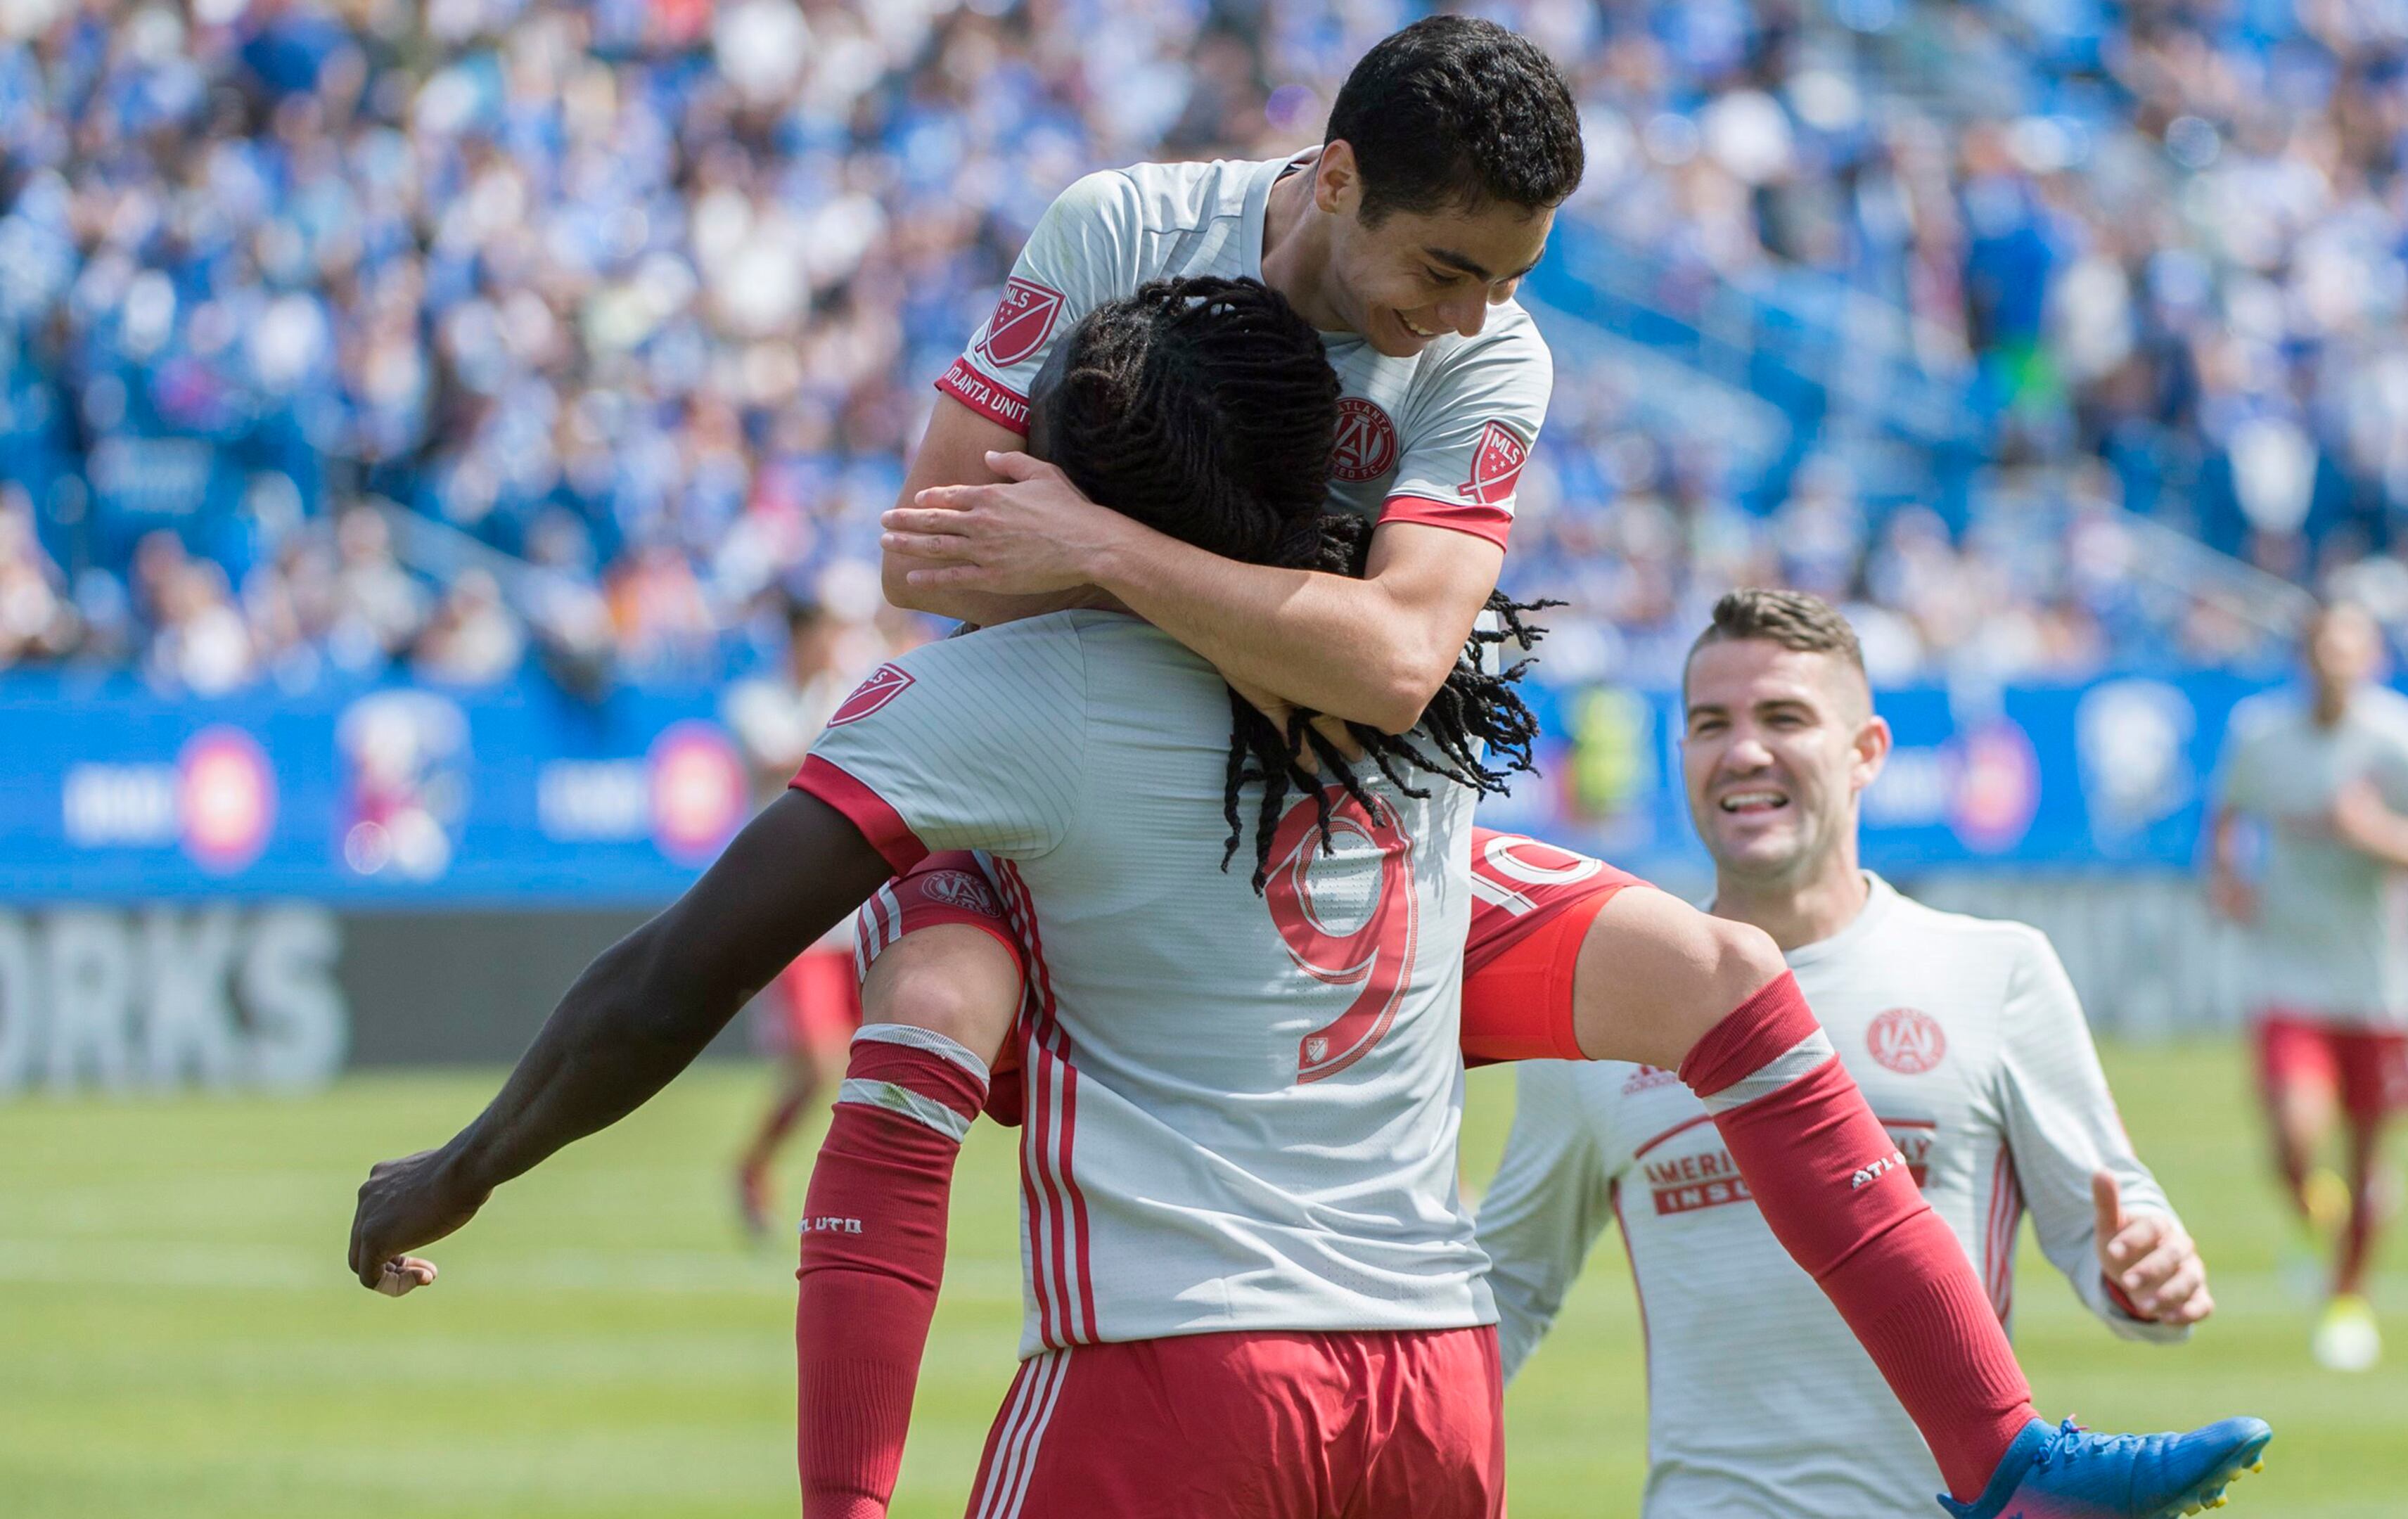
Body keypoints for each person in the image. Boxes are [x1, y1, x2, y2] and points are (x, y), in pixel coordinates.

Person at [849, 18, 2265, 1518]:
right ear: (1335, 182)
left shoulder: (1497, 351)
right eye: (1449, 272)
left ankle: (2008, 1460)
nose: (1474, 323)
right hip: (1105, 788)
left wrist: (1099, 544)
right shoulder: (1120, 226)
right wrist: (1280, 630)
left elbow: (1399, 668)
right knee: (922, 1021)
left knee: (1723, 976)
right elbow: (939, 543)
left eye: (1514, 278)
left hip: (1348, 812)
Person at [353, 276, 1540, 1519]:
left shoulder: (1003, 701)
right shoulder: (1427, 700)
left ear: (1068, 482)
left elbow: (673, 982)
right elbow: (1704, 978)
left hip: (1183, 1366)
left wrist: (467, 1166)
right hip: (1436, 1383)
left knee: (917, 1011)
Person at [1475, 589, 2222, 1518]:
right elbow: (1508, 1287)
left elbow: (2105, 1224)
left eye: (1784, 717)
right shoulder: (1610, 1008)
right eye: (1712, 724)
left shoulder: (1994, 971)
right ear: (1682, 758)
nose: (1744, 750)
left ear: (1867, 751)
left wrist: (2146, 1270)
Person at [2205, 601, 2408, 1372]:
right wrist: (2227, 878)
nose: (2338, 661)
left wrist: (2377, 835)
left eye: (2352, 648)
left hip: (2379, 985)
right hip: (2289, 973)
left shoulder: (2403, 742)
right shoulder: (2263, 739)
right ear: (2305, 654)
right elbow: (2227, 814)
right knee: (2293, 1135)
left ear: (2373, 657)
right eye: (2326, 646)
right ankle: (2309, 1211)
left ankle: (2349, 1298)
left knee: (2367, 1153)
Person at [721, 591, 888, 1236]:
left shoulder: (847, 691)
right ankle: (759, 1166)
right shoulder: (758, 702)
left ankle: (848, 1196)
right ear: (800, 639)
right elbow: (784, 759)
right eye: (826, 633)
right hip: (795, 917)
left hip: (856, 909)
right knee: (820, 1064)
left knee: (870, 1063)